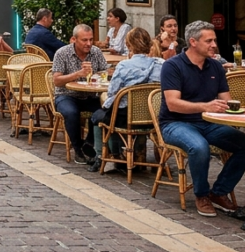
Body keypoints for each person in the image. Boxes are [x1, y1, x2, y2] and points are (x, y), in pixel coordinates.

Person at [159, 20, 245, 216]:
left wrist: (242, 109)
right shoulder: (172, 66)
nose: (214, 45)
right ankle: (201, 195)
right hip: (175, 123)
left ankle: (219, 192)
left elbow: (227, 100)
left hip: (209, 123)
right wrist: (205, 106)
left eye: (214, 40)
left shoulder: (216, 66)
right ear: (193, 42)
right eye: (209, 41)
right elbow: (173, 103)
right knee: (199, 147)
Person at [86, 27, 163, 171]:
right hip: (153, 118)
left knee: (98, 116)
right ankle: (124, 155)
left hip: (125, 119)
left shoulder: (124, 66)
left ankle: (101, 157)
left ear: (128, 45)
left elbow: (112, 91)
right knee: (107, 113)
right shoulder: (161, 65)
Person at [52, 24, 109, 164]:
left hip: (91, 95)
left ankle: (88, 144)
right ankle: (78, 149)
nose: (88, 43)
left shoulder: (96, 52)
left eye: (91, 39)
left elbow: (105, 73)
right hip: (67, 94)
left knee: (105, 112)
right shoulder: (62, 53)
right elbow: (57, 81)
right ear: (74, 39)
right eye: (84, 40)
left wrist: (97, 76)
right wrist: (78, 74)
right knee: (71, 113)